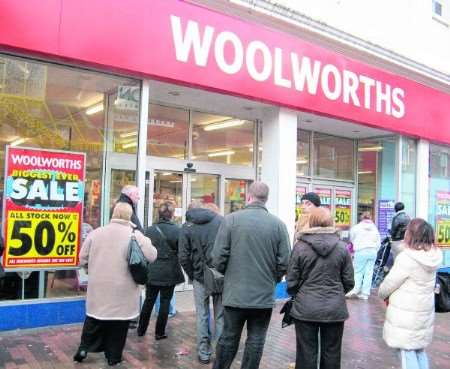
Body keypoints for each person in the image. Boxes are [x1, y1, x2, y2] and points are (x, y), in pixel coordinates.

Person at [212, 182, 291, 369]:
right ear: (266, 199)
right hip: (263, 295)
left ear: (249, 196)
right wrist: (274, 278)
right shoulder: (278, 225)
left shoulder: (230, 220)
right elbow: (285, 261)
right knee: (256, 340)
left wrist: (229, 274)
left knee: (228, 338)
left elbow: (218, 258)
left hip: (235, 293)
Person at [73, 202, 157, 366]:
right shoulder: (135, 235)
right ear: (129, 216)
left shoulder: (96, 233)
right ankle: (113, 357)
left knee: (94, 319)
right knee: (119, 324)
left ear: (113, 214)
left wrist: (91, 269)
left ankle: (83, 349)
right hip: (123, 290)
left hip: (99, 287)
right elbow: (152, 255)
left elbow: (82, 258)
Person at [287, 207, 354, 369]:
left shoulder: (300, 247)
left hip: (305, 308)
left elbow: (291, 281)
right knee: (332, 353)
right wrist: (337, 293)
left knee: (305, 354)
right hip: (334, 309)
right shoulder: (341, 247)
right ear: (331, 222)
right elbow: (349, 281)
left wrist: (300, 294)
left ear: (312, 222)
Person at [379, 218, 442, 369]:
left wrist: (381, 293)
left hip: (406, 315)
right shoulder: (433, 257)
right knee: (419, 350)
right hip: (423, 313)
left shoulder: (407, 258)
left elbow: (388, 285)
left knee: (407, 352)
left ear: (411, 235)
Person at [179, 201, 224, 364]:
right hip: (219, 275)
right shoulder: (221, 222)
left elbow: (183, 256)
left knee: (202, 315)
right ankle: (221, 353)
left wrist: (193, 275)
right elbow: (227, 250)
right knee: (220, 315)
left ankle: (204, 352)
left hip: (199, 277)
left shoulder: (187, 226)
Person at [137, 202, 185, 339]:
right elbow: (181, 251)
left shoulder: (150, 230)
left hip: (152, 270)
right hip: (169, 271)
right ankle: (159, 332)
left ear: (159, 214)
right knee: (165, 301)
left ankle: (141, 329)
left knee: (149, 301)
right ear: (172, 215)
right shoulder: (177, 230)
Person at [346, 211, 381, 300]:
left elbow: (352, 238)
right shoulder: (375, 228)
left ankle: (355, 289)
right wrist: (375, 250)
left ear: (362, 218)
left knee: (358, 271)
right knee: (369, 273)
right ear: (370, 218)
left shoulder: (356, 228)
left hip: (361, 251)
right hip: (372, 251)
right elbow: (378, 242)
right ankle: (365, 293)